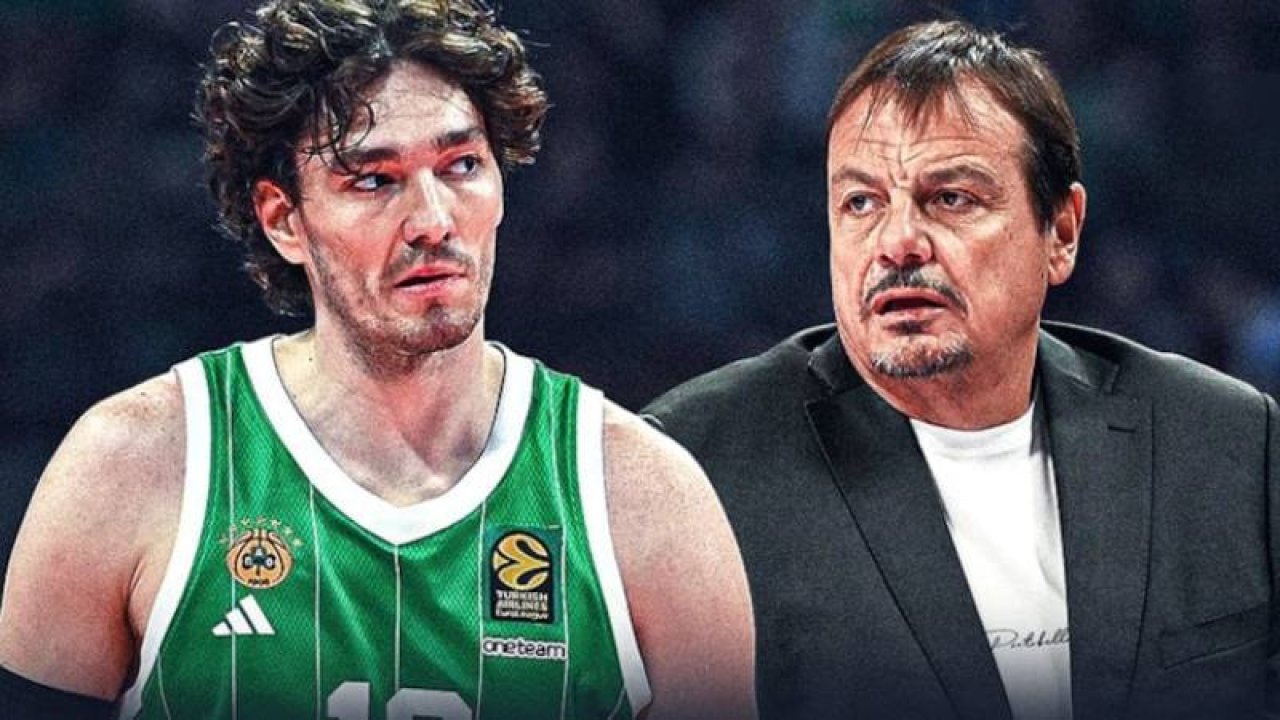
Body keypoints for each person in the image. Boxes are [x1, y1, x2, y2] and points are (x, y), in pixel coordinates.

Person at [0, 1, 755, 718]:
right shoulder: (132, 466)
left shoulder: (644, 496)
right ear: (284, 220)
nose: (432, 220)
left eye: (461, 165)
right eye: (373, 179)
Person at [645, 19, 1279, 720]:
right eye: (861, 203)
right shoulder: (694, 466)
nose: (897, 243)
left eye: (951, 198)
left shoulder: (1229, 445)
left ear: (1061, 232)